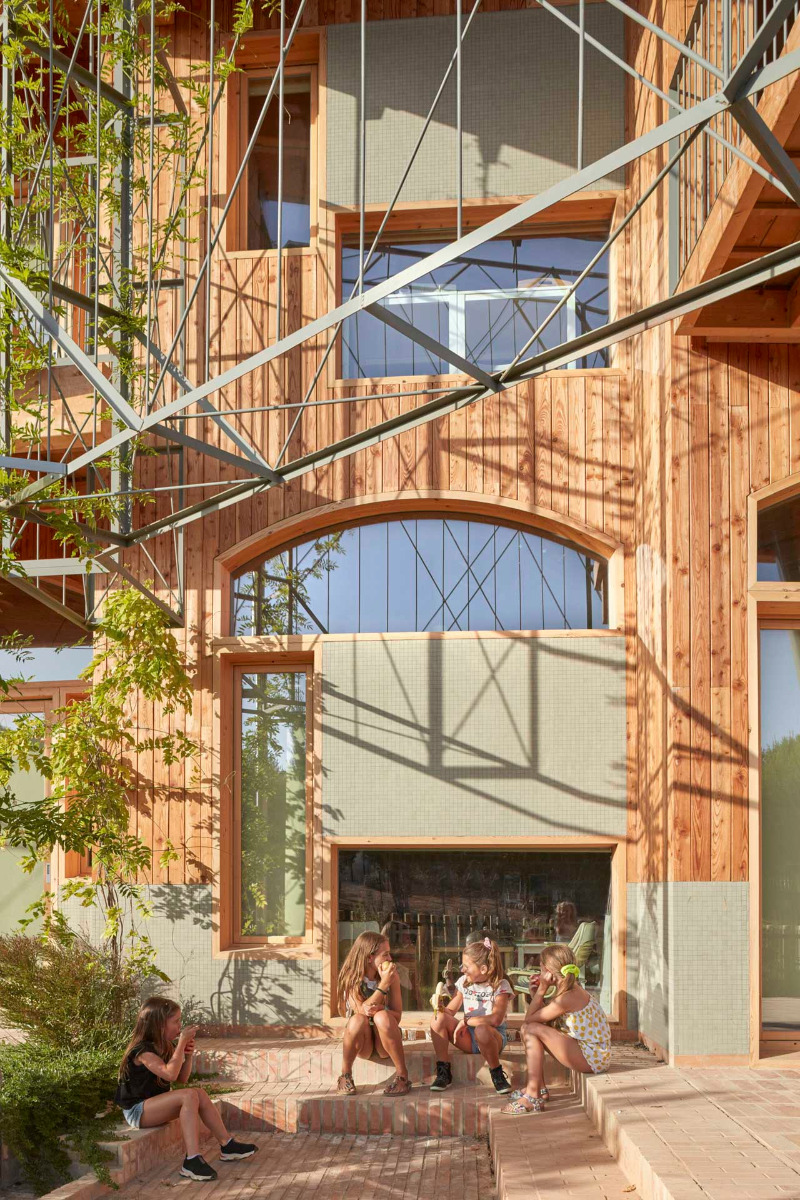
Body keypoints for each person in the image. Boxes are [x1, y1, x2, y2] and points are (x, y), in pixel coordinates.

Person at [115, 996, 257, 1181]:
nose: (179, 1026)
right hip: (137, 1111)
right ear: (159, 1025)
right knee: (190, 1095)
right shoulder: (143, 1052)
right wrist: (181, 1044)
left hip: (153, 1107)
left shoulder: (165, 1046)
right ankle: (192, 1160)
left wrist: (187, 1055)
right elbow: (170, 1075)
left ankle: (227, 1145)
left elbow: (182, 1079)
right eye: (175, 1022)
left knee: (198, 1093)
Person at [501, 942, 611, 1116]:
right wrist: (535, 994)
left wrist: (542, 990)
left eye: (541, 968)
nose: (539, 972)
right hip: (591, 1054)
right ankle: (539, 1088)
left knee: (529, 1029)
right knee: (530, 1029)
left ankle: (532, 1095)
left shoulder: (567, 997)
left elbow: (530, 1020)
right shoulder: (570, 990)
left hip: (591, 1057)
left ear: (549, 972)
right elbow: (540, 1018)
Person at [428, 936, 513, 1095]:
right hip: (468, 1038)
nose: (462, 969)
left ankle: (496, 1073)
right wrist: (440, 1007)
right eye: (462, 965)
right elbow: (450, 1011)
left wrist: (466, 1021)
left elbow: (495, 1019)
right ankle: (443, 1071)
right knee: (437, 1019)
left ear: (483, 969)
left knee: (482, 1029)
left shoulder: (501, 986)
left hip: (492, 1038)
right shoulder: (463, 982)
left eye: (466, 966)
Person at [336, 931, 411, 1096]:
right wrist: (383, 985)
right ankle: (345, 1074)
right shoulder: (352, 977)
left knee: (382, 1016)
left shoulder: (392, 975)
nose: (390, 959)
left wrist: (381, 1009)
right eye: (385, 955)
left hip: (384, 1041)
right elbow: (361, 1010)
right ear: (370, 957)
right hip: (363, 1044)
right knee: (357, 1020)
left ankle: (402, 1075)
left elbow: (397, 1016)